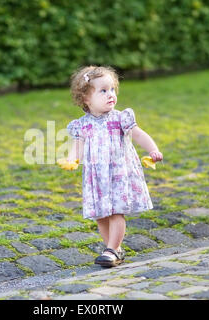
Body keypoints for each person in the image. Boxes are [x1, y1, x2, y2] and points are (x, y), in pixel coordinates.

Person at [57, 65, 163, 267]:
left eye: (112, 89)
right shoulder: (82, 124)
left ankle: (113, 249)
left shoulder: (120, 118)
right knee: (101, 215)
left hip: (118, 173)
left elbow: (139, 134)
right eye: (103, 91)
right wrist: (72, 160)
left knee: (116, 211)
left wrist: (153, 150)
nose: (110, 95)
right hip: (96, 177)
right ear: (86, 99)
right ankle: (113, 249)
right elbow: (77, 146)